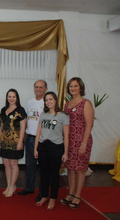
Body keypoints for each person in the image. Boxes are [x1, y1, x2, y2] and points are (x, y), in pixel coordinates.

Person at [60, 77, 94, 209]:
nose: (73, 88)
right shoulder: (67, 104)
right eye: (71, 86)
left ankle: (78, 195)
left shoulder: (86, 103)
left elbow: (89, 125)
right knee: (70, 168)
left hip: (81, 141)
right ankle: (70, 193)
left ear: (80, 87)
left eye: (75, 86)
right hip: (69, 141)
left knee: (80, 169)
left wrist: (84, 143)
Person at [34, 91, 69, 210]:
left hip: (56, 147)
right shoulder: (43, 115)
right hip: (43, 147)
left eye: (51, 99)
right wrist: (36, 148)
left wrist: (65, 152)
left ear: (55, 100)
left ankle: (53, 198)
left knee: (54, 174)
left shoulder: (63, 116)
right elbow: (38, 132)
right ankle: (44, 195)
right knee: (43, 174)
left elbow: (66, 136)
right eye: (46, 100)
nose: (48, 102)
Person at [18, 80, 48, 202]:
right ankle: (29, 187)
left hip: (41, 139)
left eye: (41, 87)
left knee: (42, 167)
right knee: (29, 165)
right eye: (36, 87)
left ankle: (42, 191)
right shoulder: (30, 102)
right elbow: (28, 121)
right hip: (30, 137)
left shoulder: (47, 103)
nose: (38, 89)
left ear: (45, 89)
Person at [0, 89, 26, 197]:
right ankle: (8, 185)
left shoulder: (20, 110)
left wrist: (20, 142)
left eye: (13, 96)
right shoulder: (4, 110)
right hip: (4, 140)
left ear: (17, 98)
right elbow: (2, 126)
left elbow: (23, 127)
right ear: (7, 98)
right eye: (9, 96)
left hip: (15, 140)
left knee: (13, 164)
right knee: (6, 164)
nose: (11, 99)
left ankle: (13, 185)